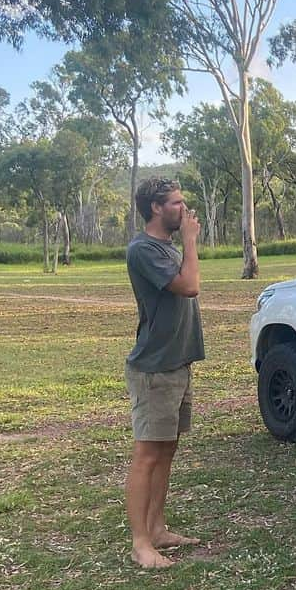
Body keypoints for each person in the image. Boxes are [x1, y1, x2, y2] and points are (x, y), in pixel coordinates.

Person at [124, 177, 205, 568]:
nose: (184, 209)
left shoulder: (166, 248)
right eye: (176, 203)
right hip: (154, 370)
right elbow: (189, 286)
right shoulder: (143, 250)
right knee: (147, 454)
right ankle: (141, 543)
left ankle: (157, 528)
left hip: (177, 364)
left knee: (166, 449)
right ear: (156, 208)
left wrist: (184, 242)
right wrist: (191, 241)